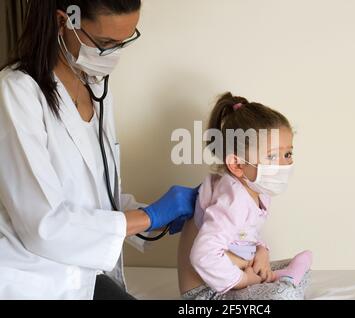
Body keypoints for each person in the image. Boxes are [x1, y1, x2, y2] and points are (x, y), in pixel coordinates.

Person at [0, 0, 197, 300]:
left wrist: (159, 216)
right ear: (63, 21)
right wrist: (149, 217)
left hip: (84, 273)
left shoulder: (95, 87)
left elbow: (98, 194)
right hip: (36, 278)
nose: (114, 55)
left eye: (123, 42)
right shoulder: (16, 92)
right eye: (105, 43)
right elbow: (43, 225)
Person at [178, 93, 312, 300]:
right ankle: (285, 284)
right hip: (207, 293)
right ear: (238, 165)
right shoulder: (232, 200)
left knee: (305, 263)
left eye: (288, 154)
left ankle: (284, 280)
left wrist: (261, 250)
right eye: (272, 156)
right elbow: (203, 255)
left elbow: (242, 233)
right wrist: (245, 281)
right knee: (284, 295)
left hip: (235, 270)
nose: (285, 164)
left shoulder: (255, 190)